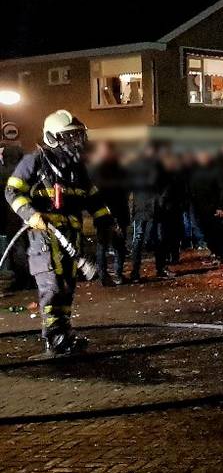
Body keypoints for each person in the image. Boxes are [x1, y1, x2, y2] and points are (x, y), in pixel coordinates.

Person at [4, 110, 115, 354]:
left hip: (71, 236)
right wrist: (31, 214)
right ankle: (54, 337)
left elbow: (94, 199)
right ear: (52, 138)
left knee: (66, 287)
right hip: (44, 237)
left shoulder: (76, 169)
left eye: (78, 135)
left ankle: (64, 333)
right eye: (70, 136)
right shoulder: (35, 161)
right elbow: (12, 191)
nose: (77, 141)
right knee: (52, 286)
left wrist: (105, 221)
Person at [127, 142, 172, 281]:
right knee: (139, 239)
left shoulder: (158, 166)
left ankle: (159, 268)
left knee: (157, 238)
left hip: (154, 208)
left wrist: (161, 200)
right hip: (143, 208)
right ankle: (136, 271)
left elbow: (167, 184)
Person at [87, 141, 129, 287]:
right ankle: (108, 275)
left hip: (110, 213)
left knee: (113, 246)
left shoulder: (103, 170)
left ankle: (112, 274)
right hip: (108, 213)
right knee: (106, 245)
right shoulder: (100, 170)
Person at [189, 150, 223, 262]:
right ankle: (214, 251)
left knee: (216, 232)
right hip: (200, 208)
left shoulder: (216, 171)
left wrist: (220, 207)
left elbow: (222, 189)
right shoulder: (195, 172)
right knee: (206, 232)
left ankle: (219, 254)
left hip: (214, 208)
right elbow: (192, 189)